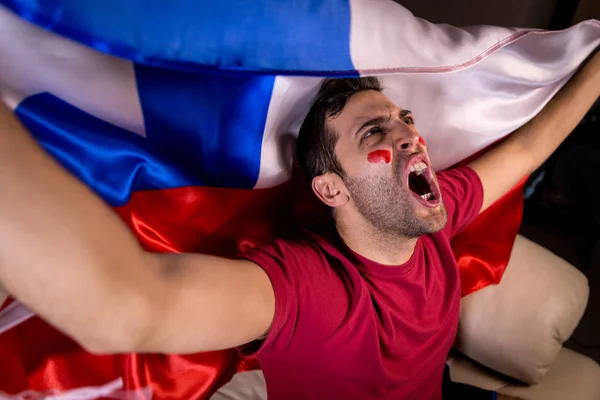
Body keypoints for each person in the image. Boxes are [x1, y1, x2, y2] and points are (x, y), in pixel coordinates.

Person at [0, 51, 598, 400]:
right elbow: (134, 306)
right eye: (374, 134)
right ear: (331, 189)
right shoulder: (310, 289)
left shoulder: (432, 221)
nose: (410, 136)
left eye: (403, 120)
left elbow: (527, 150)